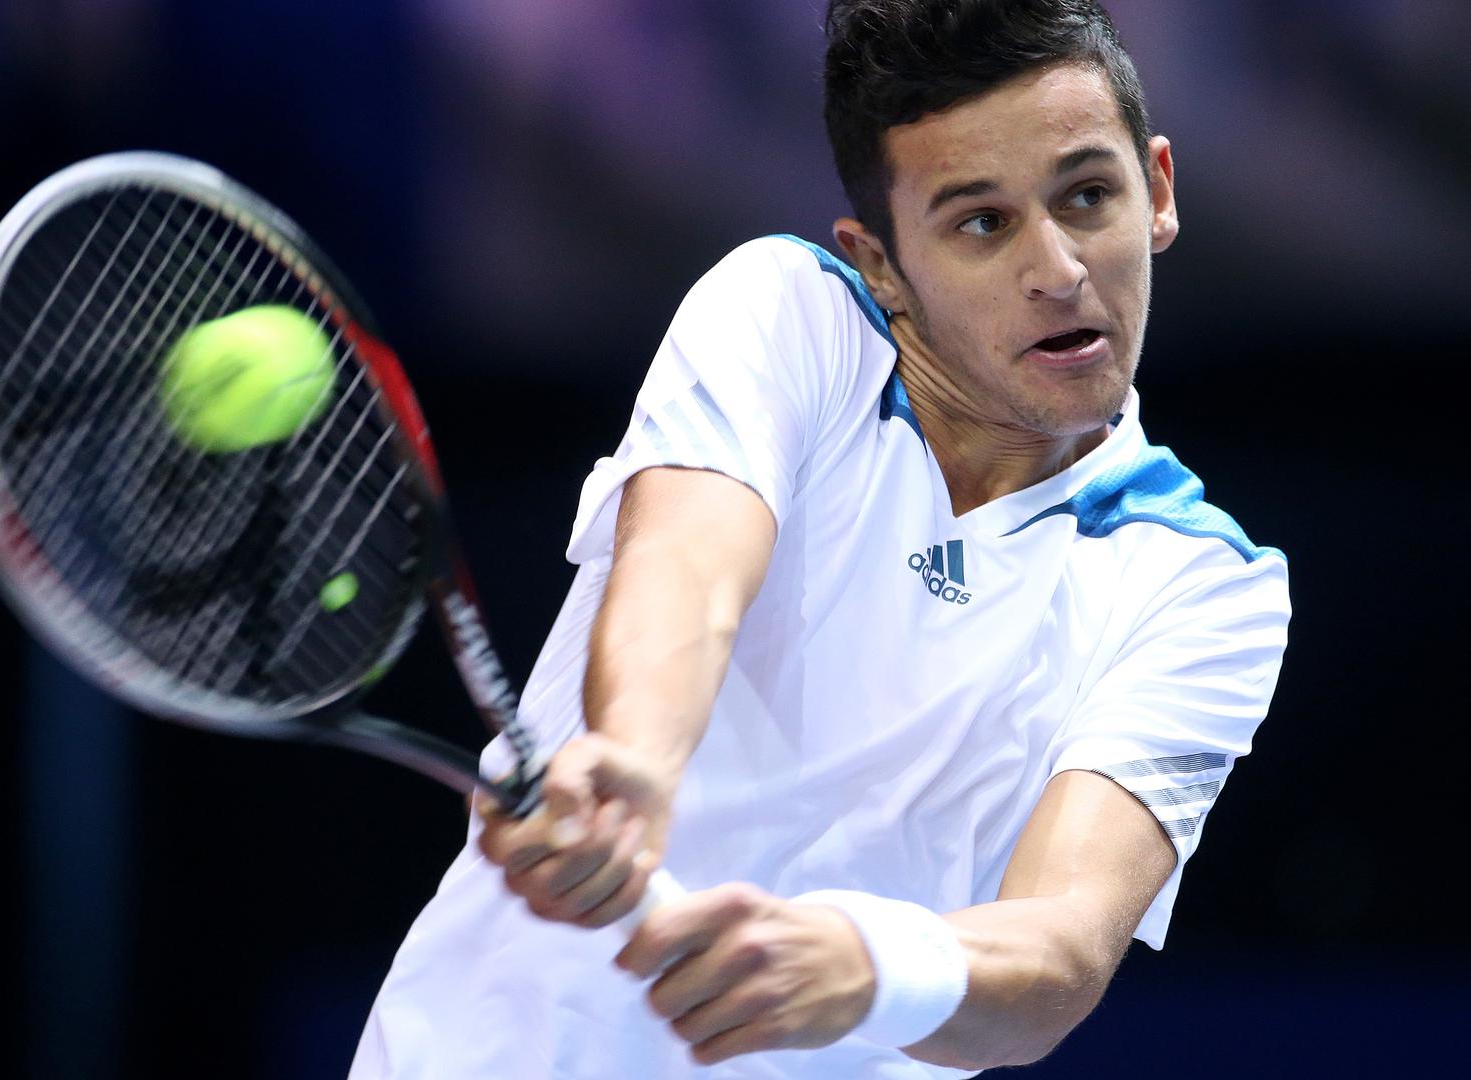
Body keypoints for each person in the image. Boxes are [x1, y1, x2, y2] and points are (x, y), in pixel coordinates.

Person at [350, 1, 1290, 1075]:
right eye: (981, 223)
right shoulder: (788, 316)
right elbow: (687, 572)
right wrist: (637, 765)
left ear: (1156, 189)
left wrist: (866, 966)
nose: (1058, 270)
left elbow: (1059, 953)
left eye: (1086, 197)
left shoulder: (1205, 584)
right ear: (880, 263)